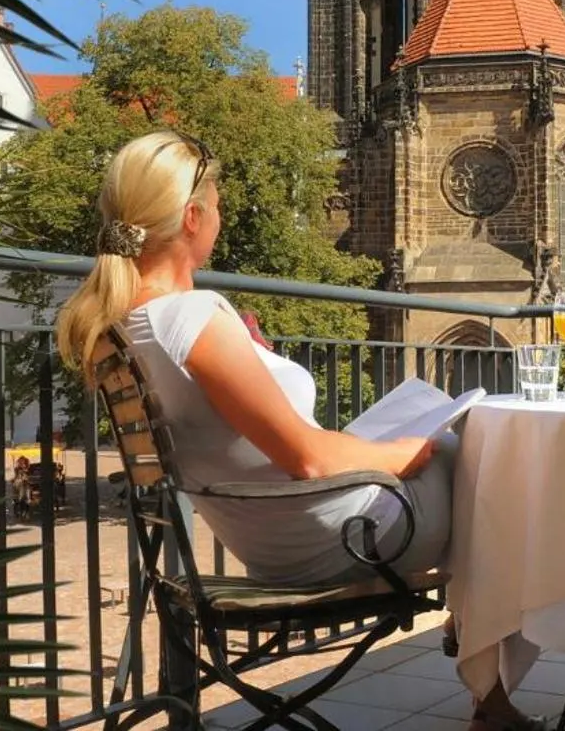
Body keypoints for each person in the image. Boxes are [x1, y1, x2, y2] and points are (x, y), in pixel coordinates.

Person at [55, 130, 540, 731]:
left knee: (448, 439)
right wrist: (403, 453)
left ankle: (475, 644)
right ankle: (486, 677)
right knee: (493, 455)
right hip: (334, 539)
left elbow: (243, 432)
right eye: (218, 204)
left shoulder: (125, 322)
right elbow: (309, 459)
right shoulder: (192, 317)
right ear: (191, 217)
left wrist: (255, 361)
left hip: (272, 539)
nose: (222, 217)